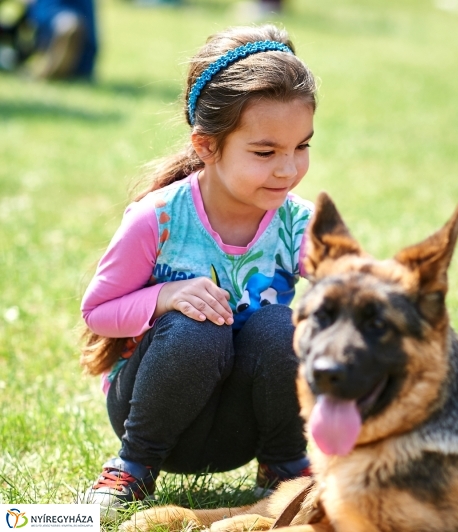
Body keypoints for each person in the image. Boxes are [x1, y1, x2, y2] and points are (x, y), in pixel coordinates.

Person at [78, 24, 317, 518]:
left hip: (244, 428)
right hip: (158, 418)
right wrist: (165, 296)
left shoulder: (300, 223)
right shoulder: (158, 218)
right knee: (197, 327)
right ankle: (132, 470)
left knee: (282, 324)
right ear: (207, 146)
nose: (288, 169)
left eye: (302, 147)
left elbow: (353, 293)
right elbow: (98, 311)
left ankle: (286, 467)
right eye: (266, 151)